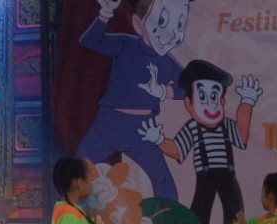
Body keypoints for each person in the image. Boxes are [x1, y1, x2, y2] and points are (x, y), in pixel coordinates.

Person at [77, 0, 193, 201]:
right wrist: (105, 14)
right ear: (139, 24)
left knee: (162, 179)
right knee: (79, 167)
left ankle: (171, 220)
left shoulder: (167, 62)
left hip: (143, 128)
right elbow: (91, 41)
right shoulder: (126, 44)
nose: (171, 33)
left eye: (179, 25)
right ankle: (68, 213)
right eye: (162, 21)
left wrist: (164, 91)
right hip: (109, 121)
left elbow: (188, 87)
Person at [139, 59, 262, 224]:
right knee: (200, 210)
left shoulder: (226, 125)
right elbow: (178, 150)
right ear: (189, 103)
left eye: (214, 97)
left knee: (234, 209)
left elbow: (241, 137)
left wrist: (247, 103)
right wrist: (159, 140)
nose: (210, 104)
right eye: (202, 97)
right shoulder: (192, 127)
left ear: (222, 101)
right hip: (204, 175)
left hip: (227, 174)